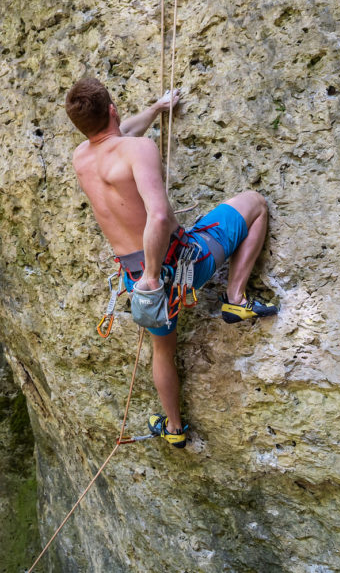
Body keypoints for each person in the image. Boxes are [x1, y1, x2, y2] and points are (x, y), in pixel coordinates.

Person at [65, 78, 277, 448]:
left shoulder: (82, 157)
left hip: (136, 281)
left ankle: (175, 429)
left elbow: (118, 133)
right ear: (112, 109)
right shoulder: (139, 149)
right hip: (179, 267)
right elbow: (159, 217)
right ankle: (236, 297)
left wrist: (157, 109)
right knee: (254, 203)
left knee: (162, 350)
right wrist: (153, 276)